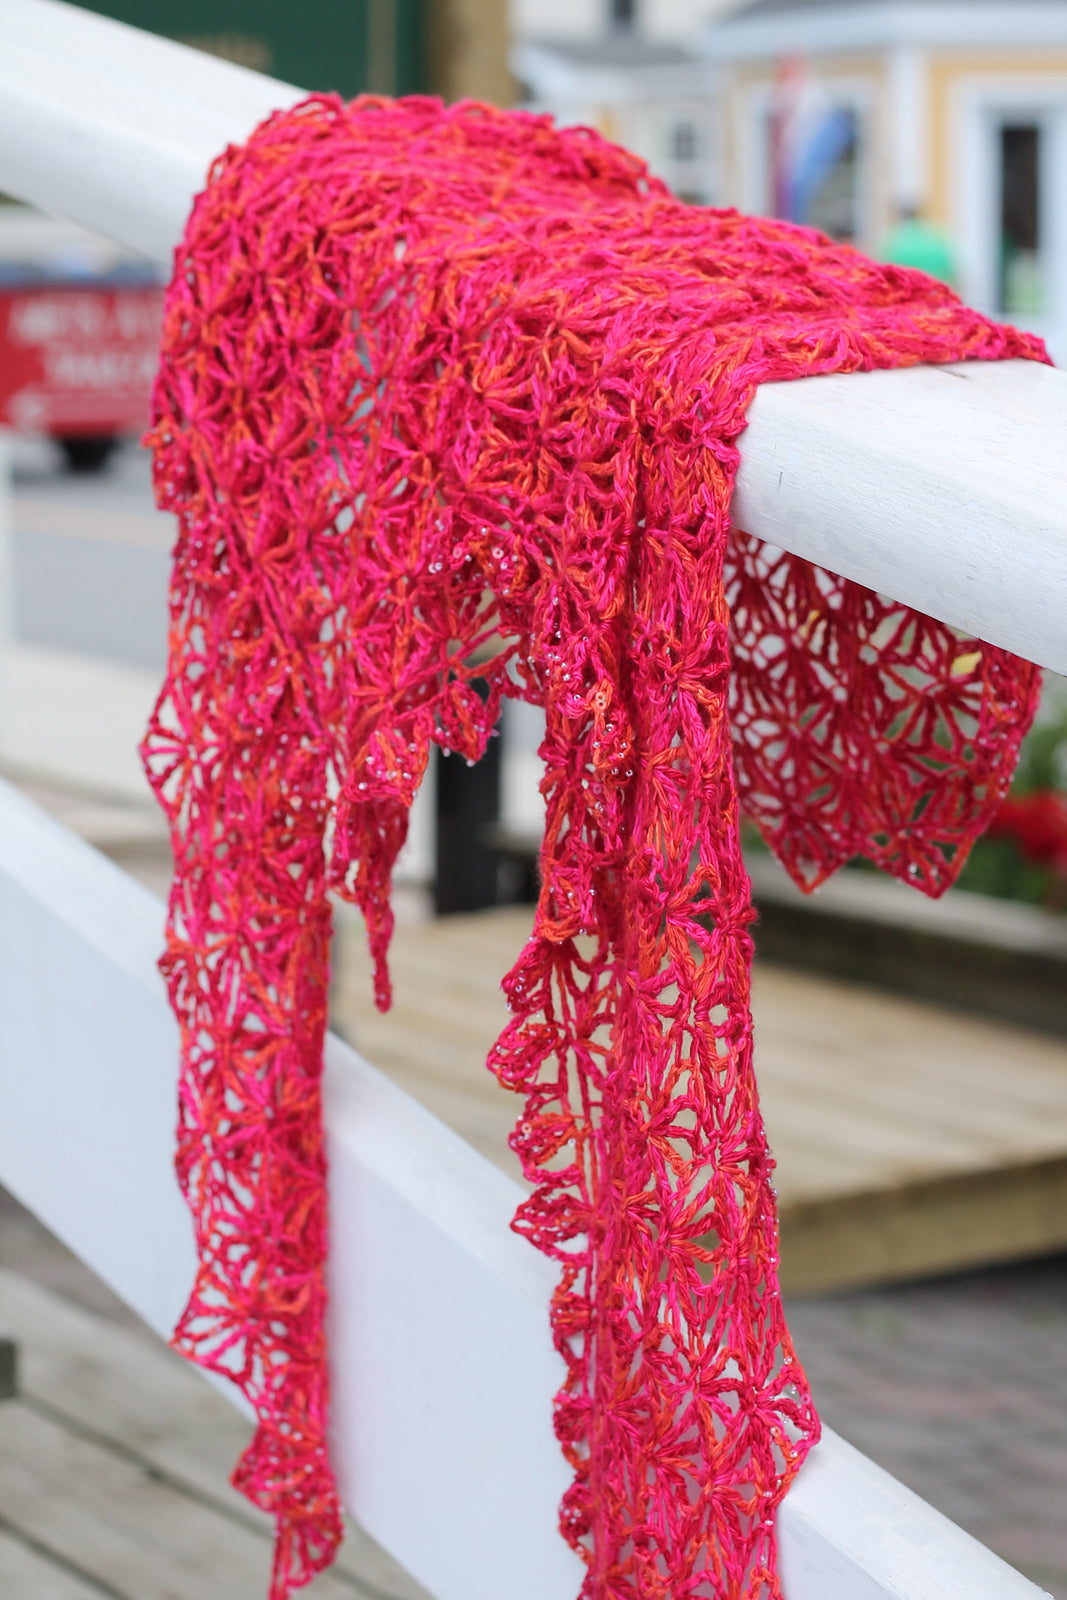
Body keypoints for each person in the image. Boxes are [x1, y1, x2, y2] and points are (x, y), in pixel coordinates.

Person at [881, 203, 957, 287]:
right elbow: (950, 274)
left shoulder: (895, 240)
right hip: (935, 293)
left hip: (908, 295)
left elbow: (885, 274)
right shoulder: (935, 237)